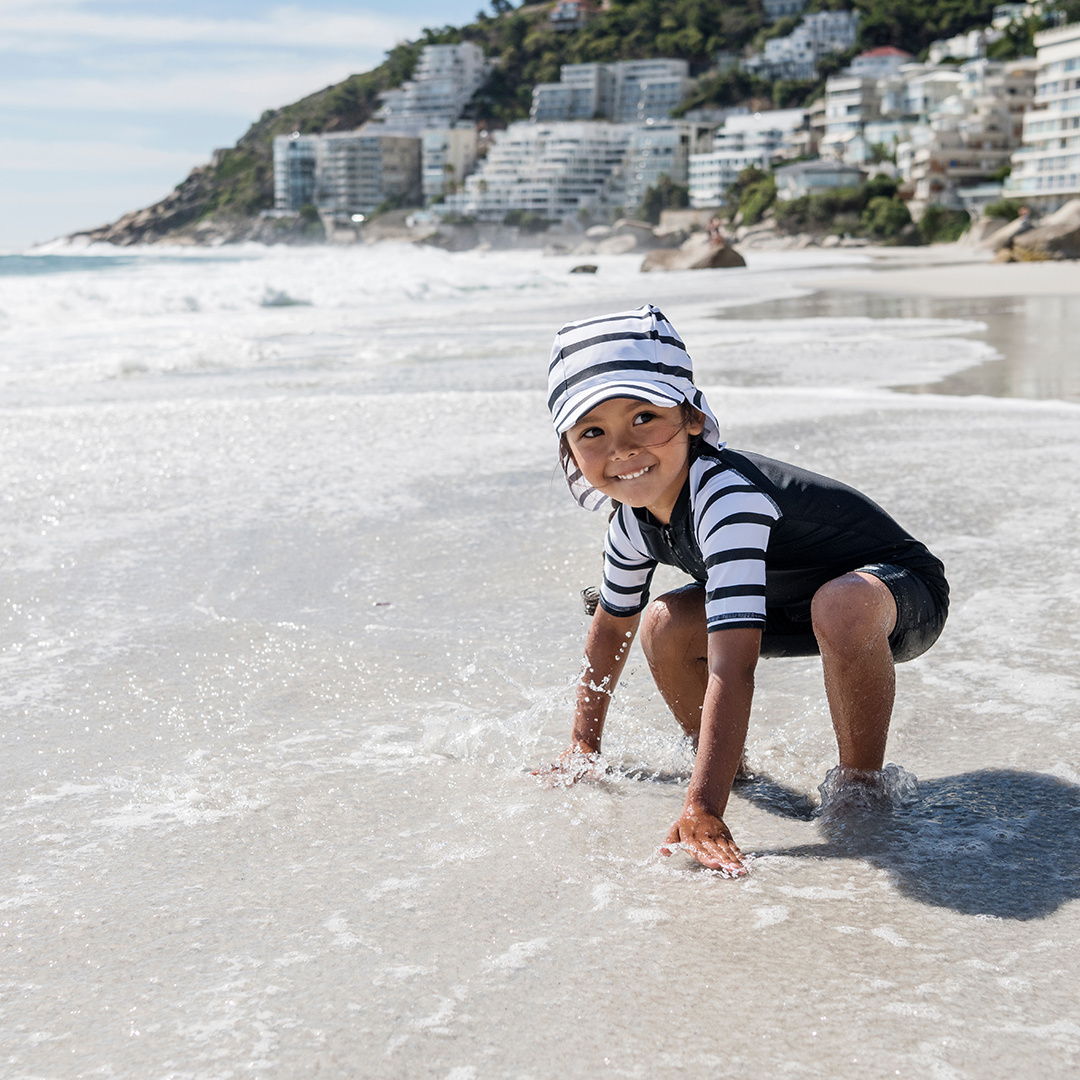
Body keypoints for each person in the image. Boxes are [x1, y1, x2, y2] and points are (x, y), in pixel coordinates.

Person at [538, 304, 948, 875]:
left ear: (693, 417)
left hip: (895, 595)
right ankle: (732, 765)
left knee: (840, 603)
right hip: (784, 605)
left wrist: (703, 809)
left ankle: (861, 787)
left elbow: (734, 668)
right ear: (570, 452)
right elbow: (610, 630)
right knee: (662, 622)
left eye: (644, 417)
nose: (622, 450)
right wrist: (584, 747)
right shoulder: (630, 521)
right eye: (592, 432)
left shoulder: (725, 497)